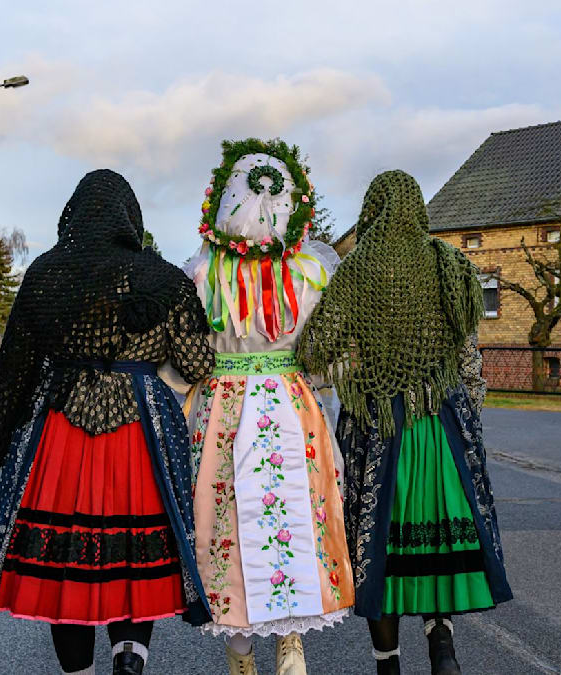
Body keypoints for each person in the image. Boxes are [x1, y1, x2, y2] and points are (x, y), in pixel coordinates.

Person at [0, 170, 214, 675]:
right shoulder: (164, 278)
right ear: (131, 216)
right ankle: (129, 659)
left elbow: (15, 366)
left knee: (69, 562)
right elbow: (197, 364)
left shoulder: (45, 273)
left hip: (60, 431)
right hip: (139, 430)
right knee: (133, 557)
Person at [298, 170, 513, 675]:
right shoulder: (450, 264)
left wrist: (357, 370)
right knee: (438, 534)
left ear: (371, 208)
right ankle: (441, 641)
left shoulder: (355, 272)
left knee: (382, 543)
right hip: (439, 425)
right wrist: (468, 419)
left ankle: (387, 663)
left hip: (378, 427)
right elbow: (468, 357)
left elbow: (313, 353)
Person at [182, 139, 354, 675]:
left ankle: (240, 656)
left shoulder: (201, 273)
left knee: (228, 524)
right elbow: (329, 362)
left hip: (222, 410)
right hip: (290, 404)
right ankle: (293, 641)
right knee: (298, 511)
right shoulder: (312, 275)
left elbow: (185, 358)